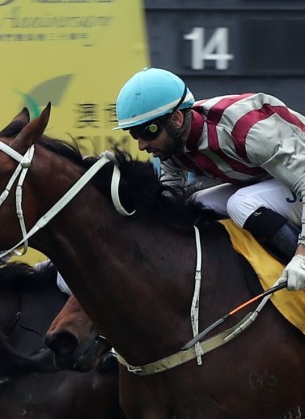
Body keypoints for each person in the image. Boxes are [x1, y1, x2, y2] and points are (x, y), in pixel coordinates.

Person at [114, 67, 305, 290]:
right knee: (197, 205)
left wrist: (302, 254)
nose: (142, 145)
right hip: (275, 182)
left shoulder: (247, 129)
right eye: (135, 134)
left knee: (241, 203)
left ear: (176, 119)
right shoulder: (172, 148)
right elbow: (165, 204)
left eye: (148, 132)